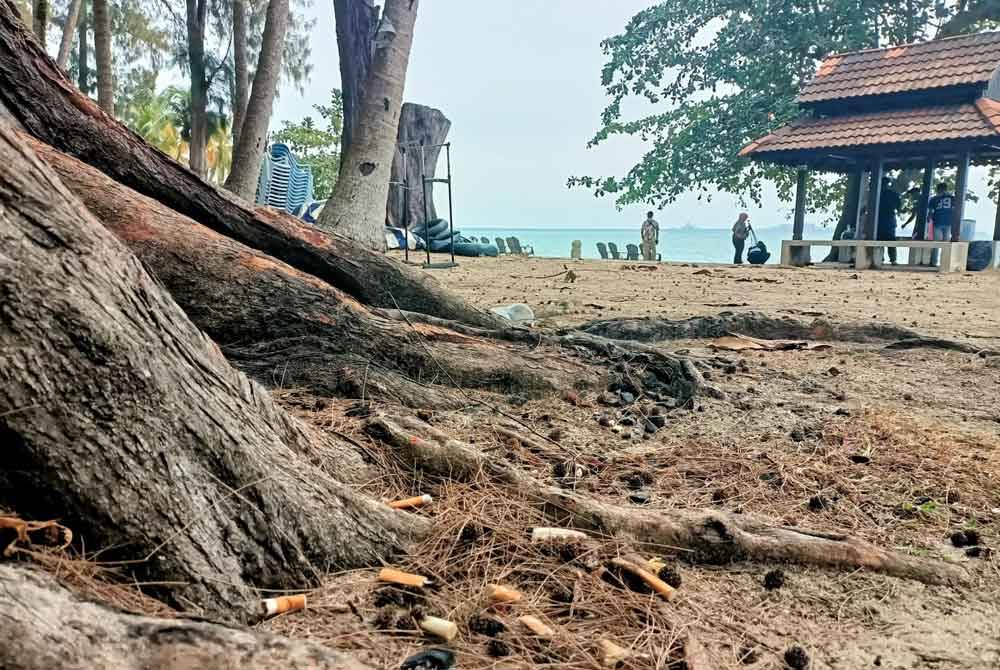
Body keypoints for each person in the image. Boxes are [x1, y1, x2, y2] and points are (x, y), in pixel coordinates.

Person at [927, 182, 955, 266]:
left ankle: (933, 262)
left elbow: (931, 212)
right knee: (946, 244)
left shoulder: (934, 199)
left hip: (938, 222)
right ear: (946, 189)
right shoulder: (952, 198)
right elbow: (955, 209)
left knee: (936, 243)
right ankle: (944, 263)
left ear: (938, 189)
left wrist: (929, 218)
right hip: (948, 222)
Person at [877, 176, 902, 265]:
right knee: (889, 240)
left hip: (881, 220)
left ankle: (882, 259)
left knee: (882, 240)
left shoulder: (877, 193)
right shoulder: (893, 194)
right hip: (887, 220)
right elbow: (899, 207)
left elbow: (899, 207)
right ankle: (891, 260)